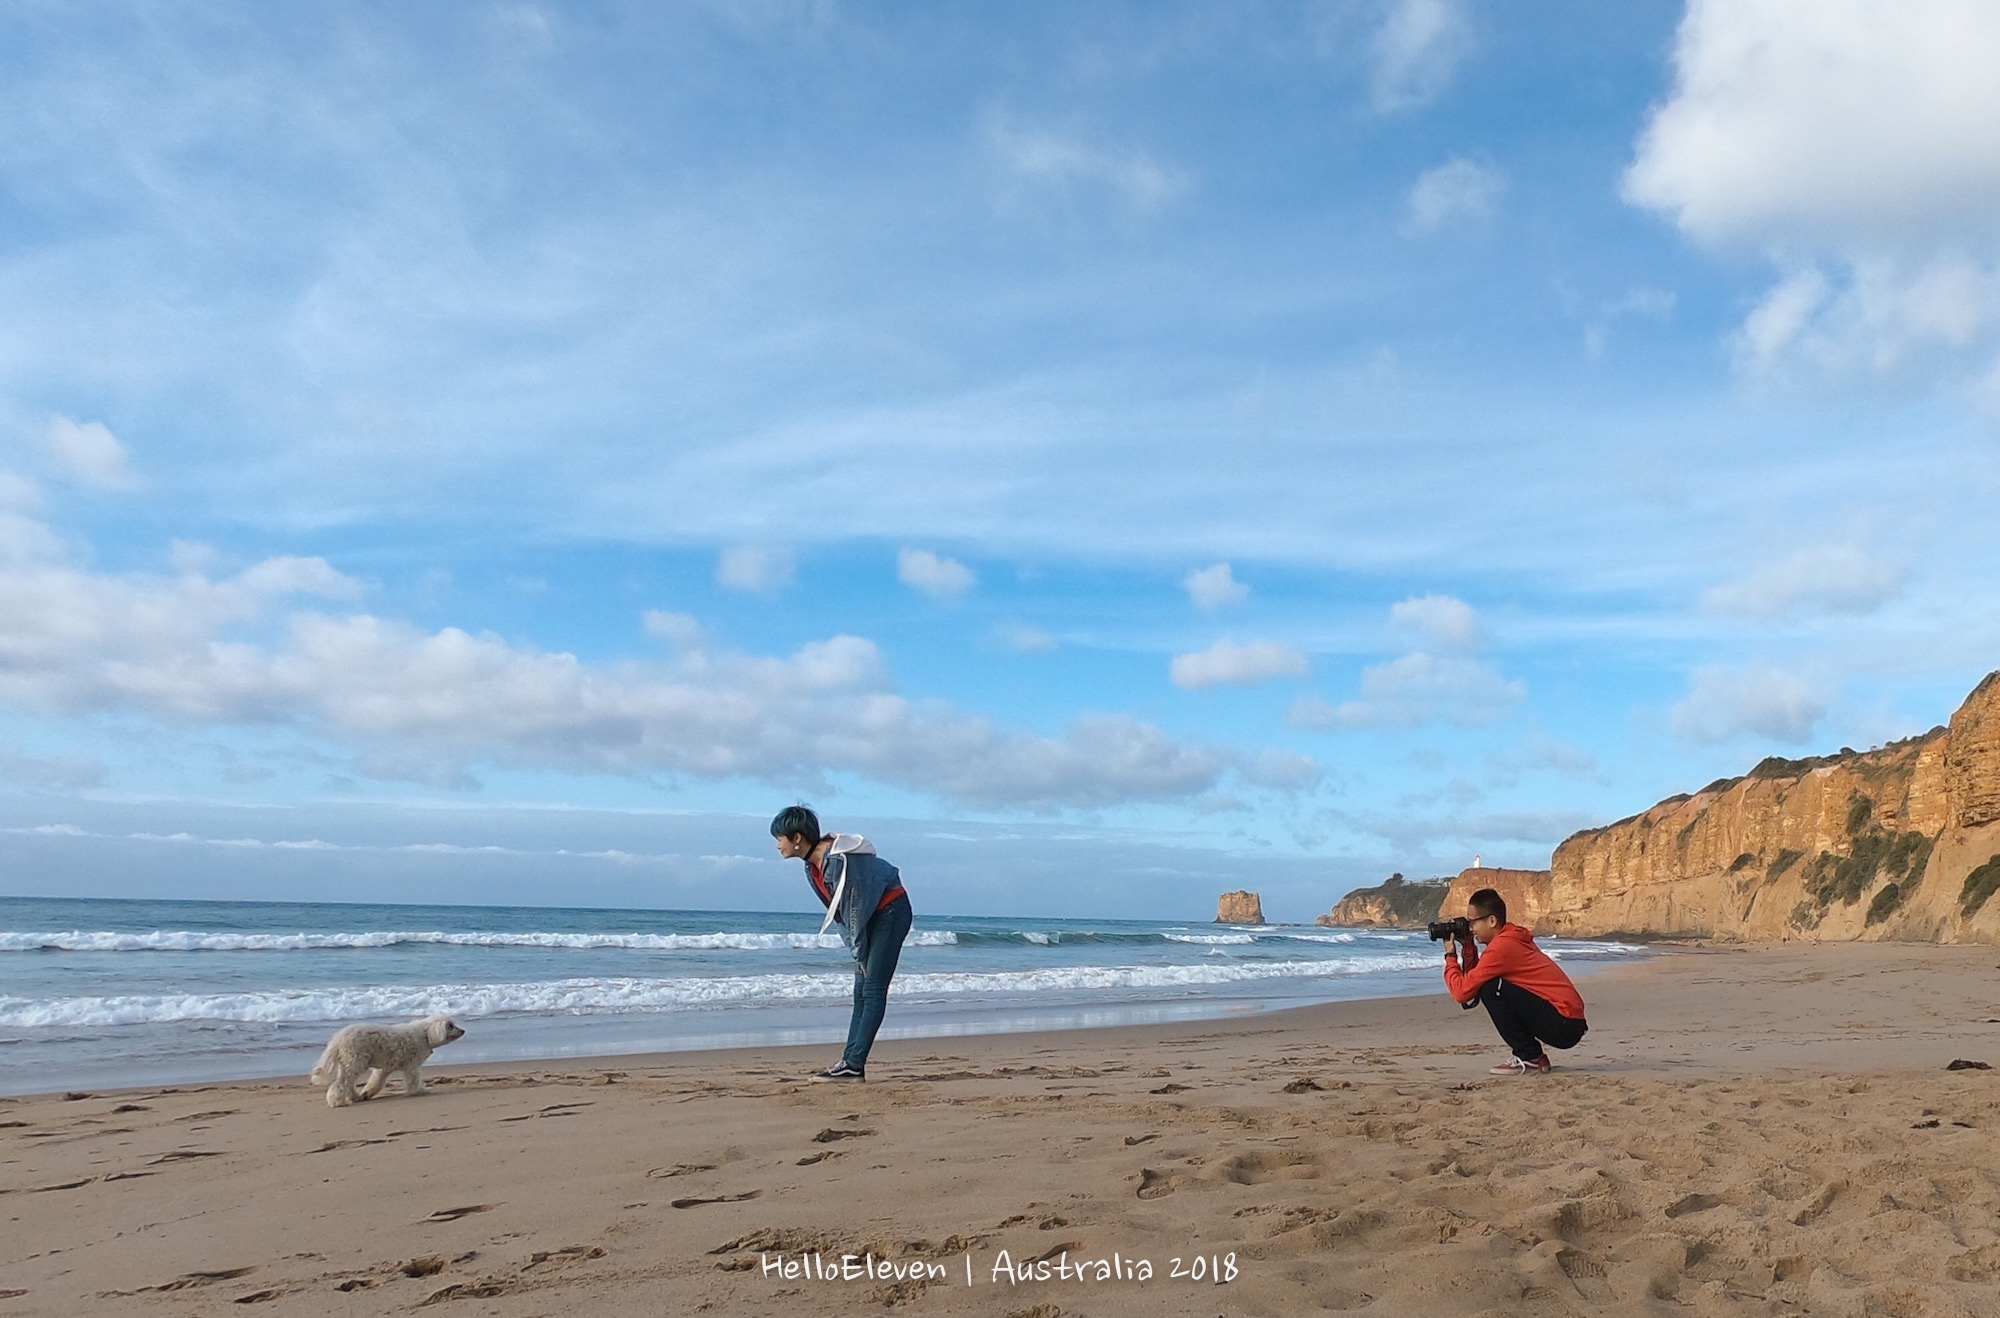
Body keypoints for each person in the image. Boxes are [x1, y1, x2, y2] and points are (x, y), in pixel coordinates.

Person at [770, 805, 913, 1082]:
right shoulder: (811, 868)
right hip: (871, 915)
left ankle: (854, 1064)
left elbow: (854, 913)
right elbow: (838, 915)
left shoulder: (837, 863)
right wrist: (857, 954)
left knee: (872, 988)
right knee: (860, 991)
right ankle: (850, 1062)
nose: (777, 846)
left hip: (891, 911)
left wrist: (860, 955)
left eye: (780, 838)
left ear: (797, 837)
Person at [1442, 887, 1587, 1075]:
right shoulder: (1509, 939)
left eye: (1473, 923)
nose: (1470, 929)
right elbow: (1473, 981)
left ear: (1491, 921)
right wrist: (1468, 948)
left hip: (1564, 1023)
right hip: (1568, 1021)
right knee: (1489, 985)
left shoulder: (1503, 947)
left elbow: (1461, 993)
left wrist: (1450, 956)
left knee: (1491, 988)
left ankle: (1528, 1056)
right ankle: (1534, 1056)